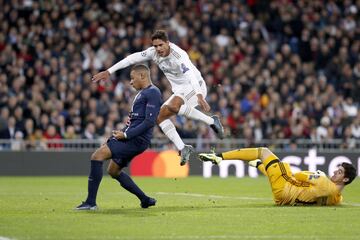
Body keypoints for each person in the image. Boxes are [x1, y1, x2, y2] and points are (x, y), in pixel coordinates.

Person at [92, 30, 224, 166]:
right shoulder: (152, 53)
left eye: (161, 45)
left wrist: (199, 95)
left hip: (196, 86)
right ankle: (183, 147)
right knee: (159, 117)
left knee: (174, 106)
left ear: (168, 43)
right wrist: (109, 71)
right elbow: (132, 58)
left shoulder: (179, 55)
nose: (158, 49)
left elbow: (190, 75)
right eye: (155, 46)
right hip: (180, 91)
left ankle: (211, 121)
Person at [76, 65, 162, 210]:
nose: (130, 82)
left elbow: (149, 121)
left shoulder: (153, 92)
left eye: (132, 78)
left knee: (97, 156)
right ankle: (145, 199)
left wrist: (126, 134)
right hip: (130, 136)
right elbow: (135, 121)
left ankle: (90, 202)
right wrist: (120, 133)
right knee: (113, 171)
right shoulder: (143, 93)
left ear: (142, 76)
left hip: (136, 139)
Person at [198, 147, 357, 206]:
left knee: (263, 152)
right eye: (338, 169)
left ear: (345, 180)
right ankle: (257, 165)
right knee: (275, 171)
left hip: (286, 188)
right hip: (286, 200)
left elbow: (299, 175)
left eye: (340, 172)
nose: (335, 172)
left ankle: (219, 157)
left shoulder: (323, 180)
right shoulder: (336, 198)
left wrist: (304, 176)